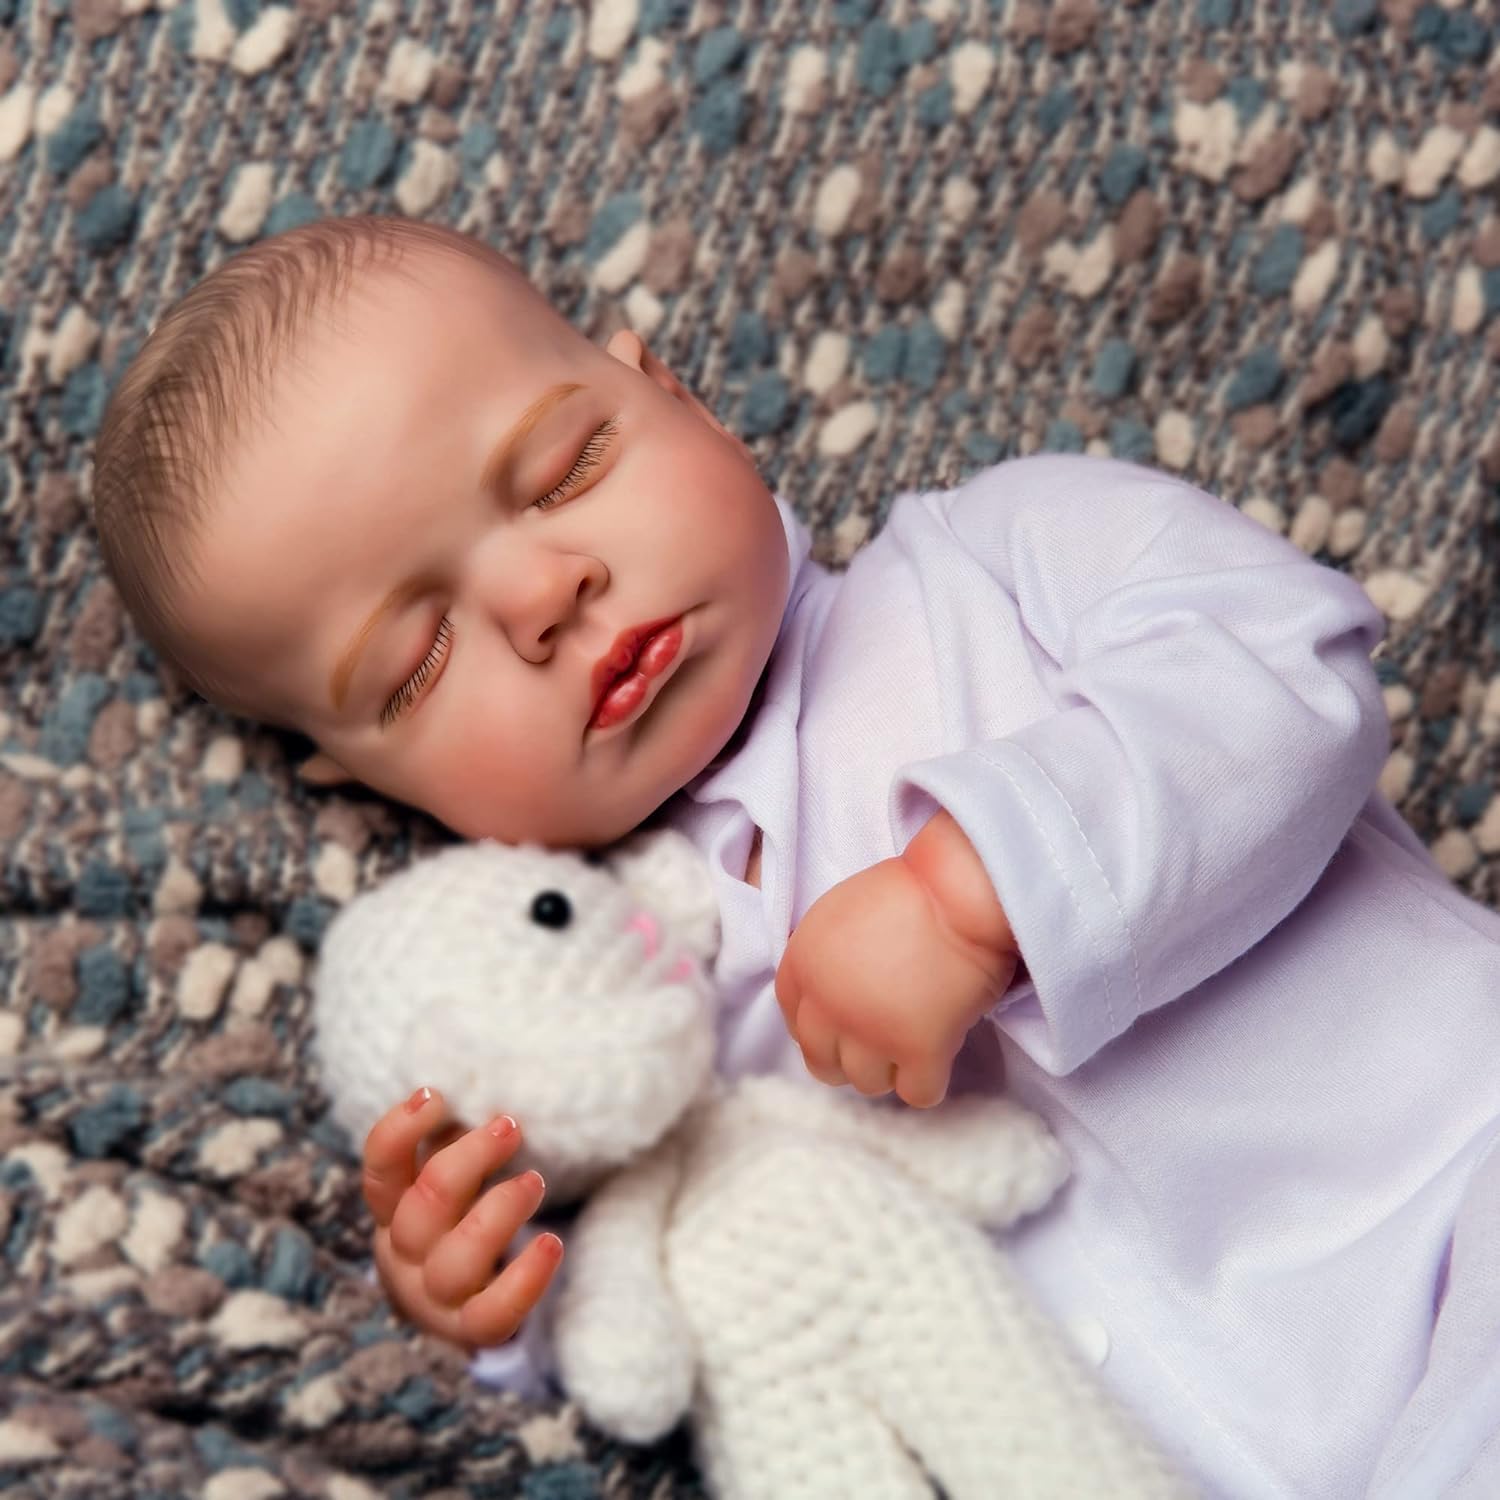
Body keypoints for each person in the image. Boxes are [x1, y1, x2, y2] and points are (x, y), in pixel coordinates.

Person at [90, 214, 1500, 1498]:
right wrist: (490, 1290)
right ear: (368, 781)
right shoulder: (624, 993)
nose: (542, 595)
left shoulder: (1002, 555)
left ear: (673, 393)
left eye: (566, 467)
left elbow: (1289, 673)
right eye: (418, 661)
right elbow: (688, 1293)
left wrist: (980, 898)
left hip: (1457, 1186)